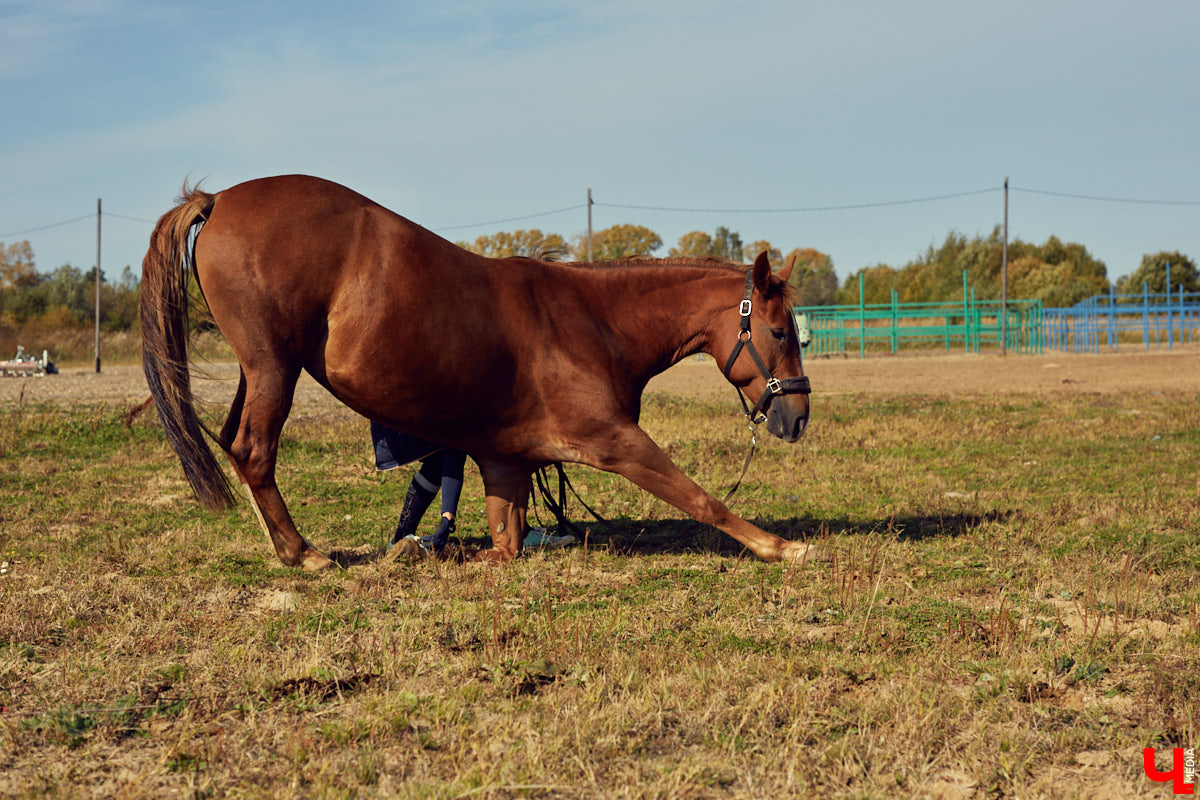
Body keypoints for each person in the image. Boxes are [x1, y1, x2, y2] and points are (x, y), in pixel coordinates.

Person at [371, 421, 576, 556]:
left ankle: (401, 537)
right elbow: (455, 447)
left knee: (447, 454)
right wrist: (447, 516)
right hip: (403, 409)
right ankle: (520, 532)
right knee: (469, 447)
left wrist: (447, 516)